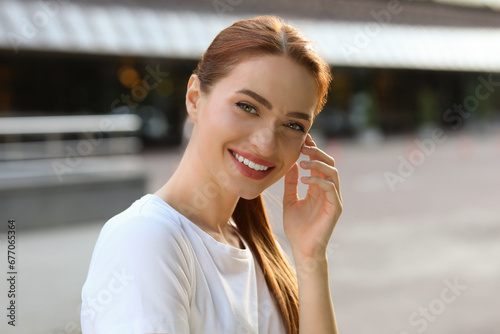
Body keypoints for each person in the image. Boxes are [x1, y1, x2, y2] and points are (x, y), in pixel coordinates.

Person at [81, 15, 342, 334]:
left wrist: (310, 257)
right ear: (195, 98)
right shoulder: (146, 238)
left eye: (293, 125)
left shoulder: (255, 245)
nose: (265, 144)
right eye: (247, 107)